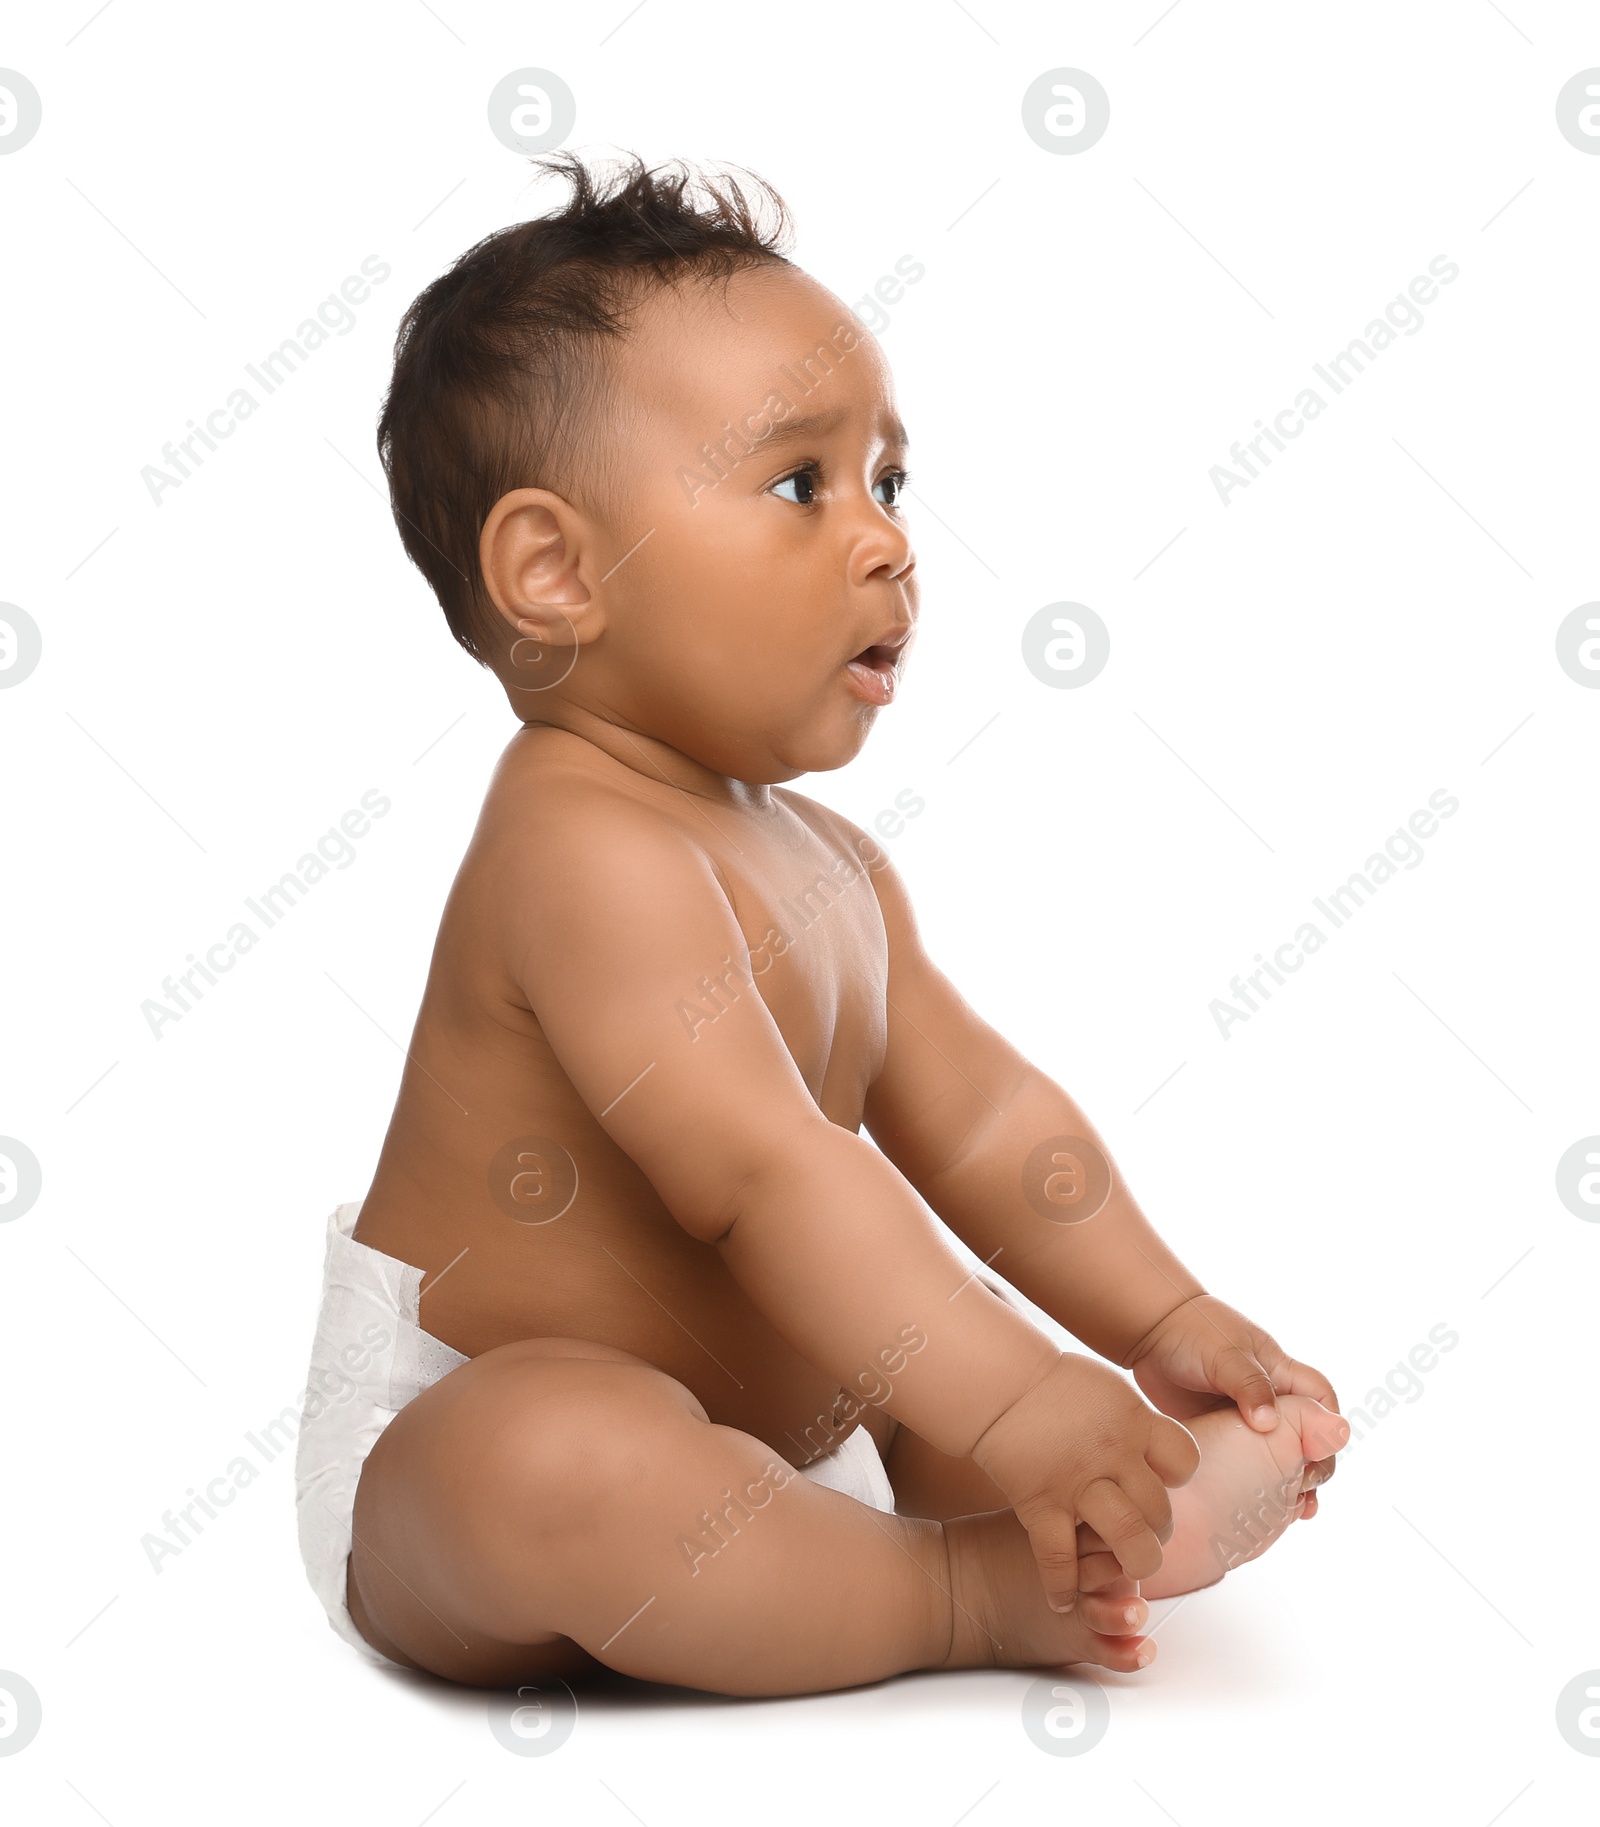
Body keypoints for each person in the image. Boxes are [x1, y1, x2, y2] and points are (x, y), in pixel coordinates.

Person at [293, 151, 1347, 1696]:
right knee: (558, 1457)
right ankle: (962, 1591)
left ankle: (1096, 1505)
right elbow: (765, 1177)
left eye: (889, 481)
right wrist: (1025, 1398)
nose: (886, 541)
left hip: (789, 1437)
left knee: (939, 1322)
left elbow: (985, 1123)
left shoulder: (835, 866)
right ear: (555, 569)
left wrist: (1154, 1317)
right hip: (457, 1461)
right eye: (800, 483)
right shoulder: (577, 842)